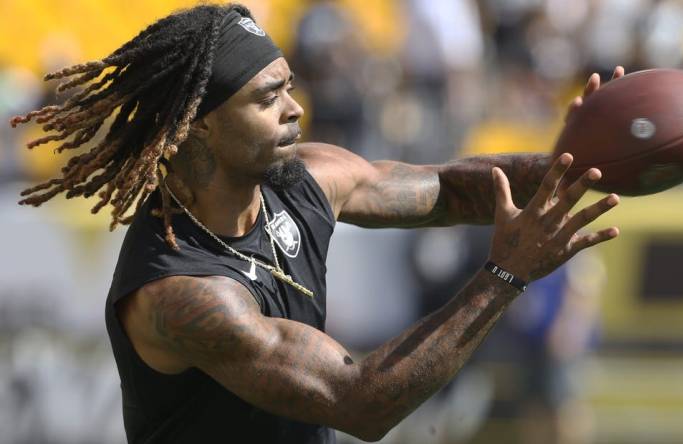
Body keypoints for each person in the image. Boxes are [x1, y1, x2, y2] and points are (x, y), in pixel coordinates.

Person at [10, 4, 621, 443]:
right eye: (266, 97)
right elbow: (359, 404)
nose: (295, 108)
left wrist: (582, 160)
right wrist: (504, 275)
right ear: (199, 126)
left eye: (289, 87)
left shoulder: (305, 178)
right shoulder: (185, 293)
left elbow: (447, 189)